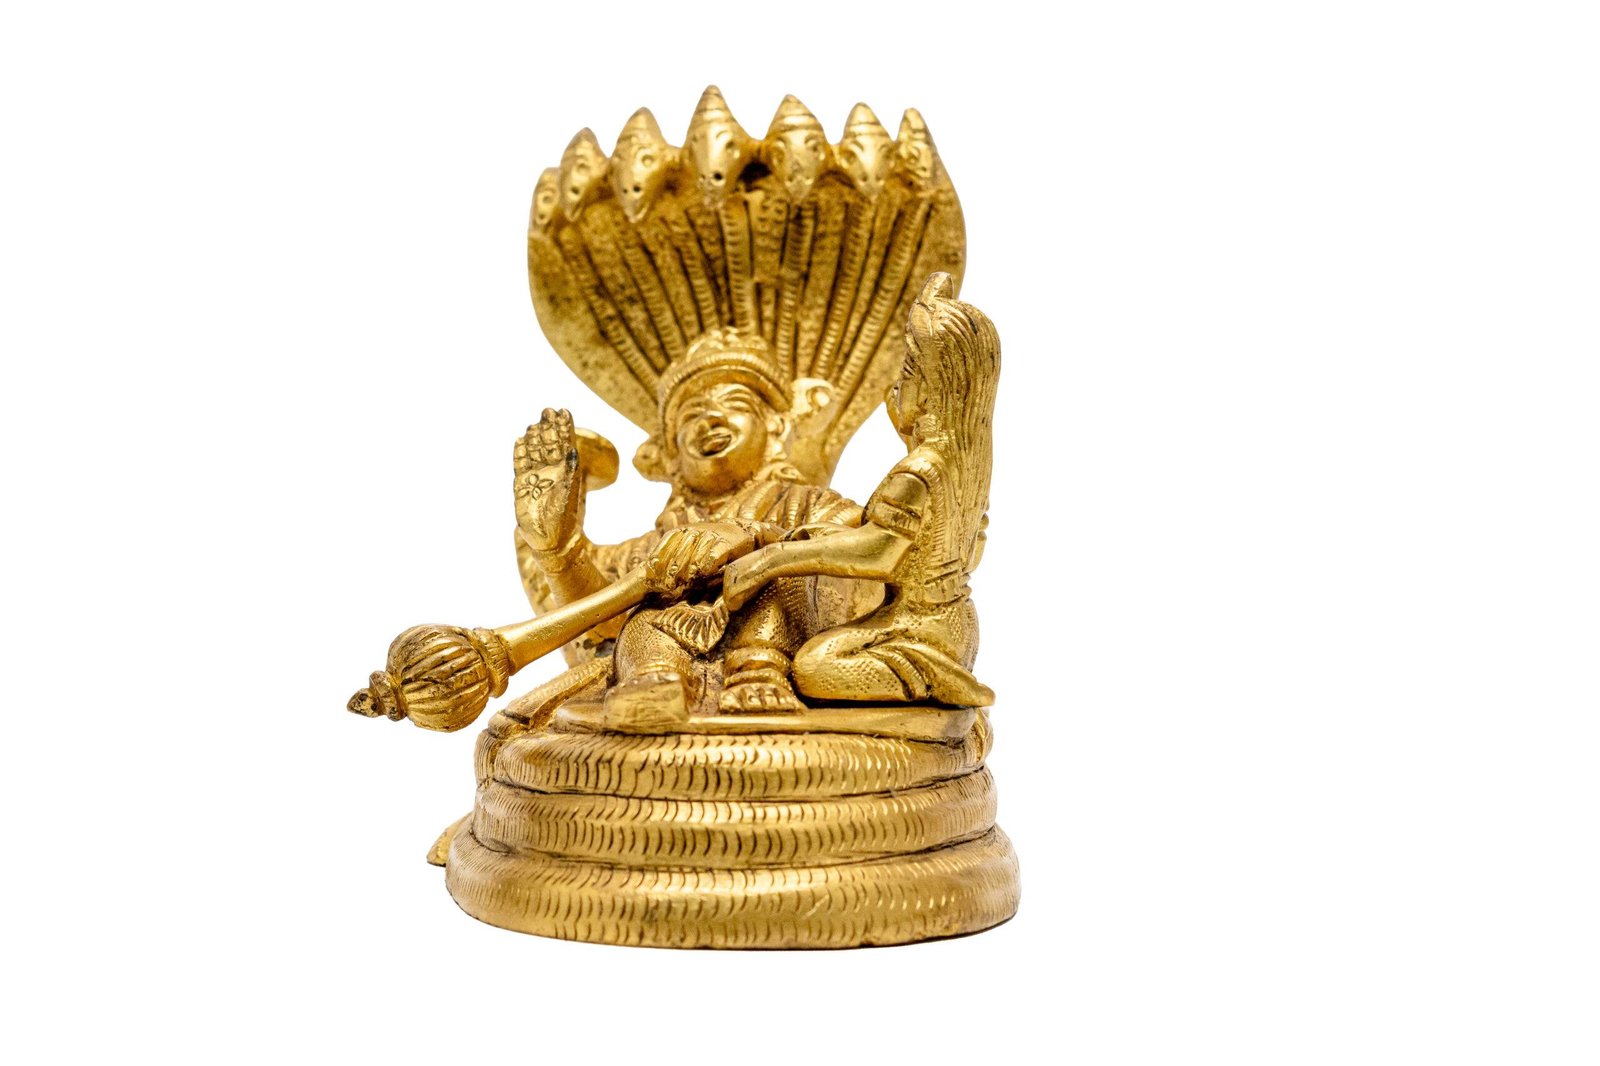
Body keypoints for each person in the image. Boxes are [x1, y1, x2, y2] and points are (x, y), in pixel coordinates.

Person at [514, 330, 863, 713]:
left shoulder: (810, 505)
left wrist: (755, 536)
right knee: (641, 623)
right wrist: (560, 550)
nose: (710, 419)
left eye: (735, 403)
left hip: (774, 655)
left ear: (776, 426)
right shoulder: (653, 546)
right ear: (670, 455)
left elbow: (858, 555)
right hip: (664, 669)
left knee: (778, 566)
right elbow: (598, 629)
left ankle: (756, 670)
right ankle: (654, 683)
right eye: (691, 415)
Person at [721, 274, 997, 707]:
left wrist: (770, 560)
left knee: (813, 666)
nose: (896, 388)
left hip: (916, 625)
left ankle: (932, 676)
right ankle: (937, 669)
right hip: (957, 623)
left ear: (933, 391)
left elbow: (880, 552)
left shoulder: (920, 471)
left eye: (907, 374)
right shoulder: (962, 464)